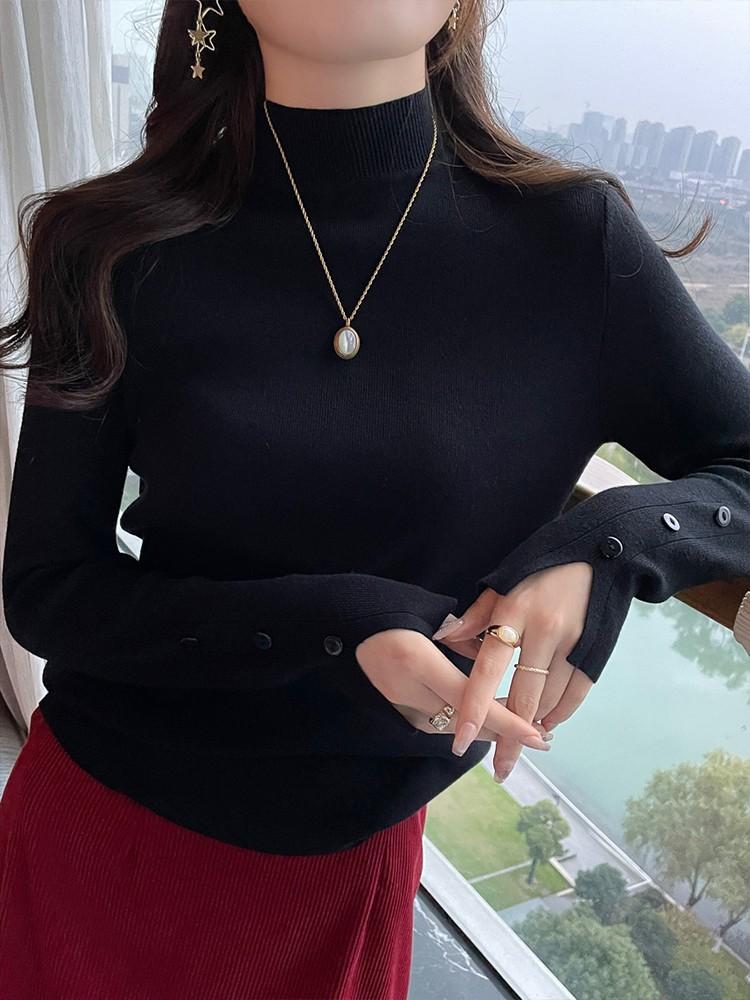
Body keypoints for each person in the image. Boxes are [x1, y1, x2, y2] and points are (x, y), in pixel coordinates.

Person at [1, 1, 748, 997]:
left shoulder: (573, 242)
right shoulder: (107, 242)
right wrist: (335, 626)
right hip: (96, 828)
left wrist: (606, 547)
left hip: (342, 877)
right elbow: (47, 591)